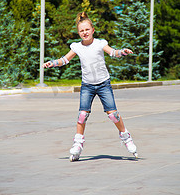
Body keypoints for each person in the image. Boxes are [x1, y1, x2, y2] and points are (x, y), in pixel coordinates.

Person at [43, 12, 138, 161]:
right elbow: (65, 60)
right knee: (82, 115)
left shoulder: (100, 43)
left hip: (103, 84)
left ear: (93, 30)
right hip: (87, 85)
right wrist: (53, 63)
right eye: (81, 31)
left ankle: (126, 137)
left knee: (113, 114)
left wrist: (122, 52)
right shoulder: (76, 47)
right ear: (78, 33)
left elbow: (113, 52)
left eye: (87, 30)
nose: (84, 32)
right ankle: (78, 144)